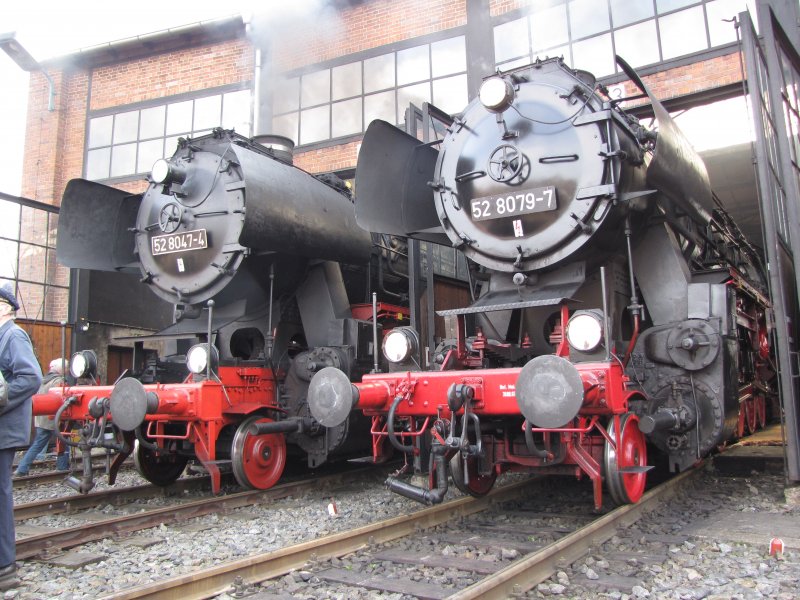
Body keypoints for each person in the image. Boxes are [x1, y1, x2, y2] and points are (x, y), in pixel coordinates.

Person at [0, 284, 42, 590]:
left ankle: (4, 567)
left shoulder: (12, 335)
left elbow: (31, 377)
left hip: (4, 429)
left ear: (5, 307)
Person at [14, 358, 70, 476]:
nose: (68, 370)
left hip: (41, 419)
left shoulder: (43, 380)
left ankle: (22, 468)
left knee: (37, 444)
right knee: (64, 441)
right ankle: (62, 467)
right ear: (62, 369)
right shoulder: (59, 381)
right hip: (55, 418)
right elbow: (63, 400)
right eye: (66, 368)